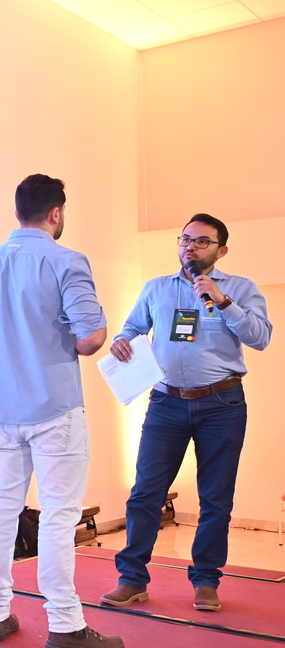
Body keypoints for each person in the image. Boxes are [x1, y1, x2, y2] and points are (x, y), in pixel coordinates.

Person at [0, 174, 123, 648]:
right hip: (53, 409)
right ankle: (65, 624)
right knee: (58, 516)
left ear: (16, 213)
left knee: (1, 510)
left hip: (1, 411)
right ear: (56, 213)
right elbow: (90, 340)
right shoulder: (66, 261)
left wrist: (8, 343)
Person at [102, 214, 271, 612]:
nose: (190, 247)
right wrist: (122, 341)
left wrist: (222, 300)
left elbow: (261, 337)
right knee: (145, 493)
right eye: (185, 240)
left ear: (221, 250)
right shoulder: (156, 288)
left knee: (216, 497)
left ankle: (206, 581)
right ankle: (132, 579)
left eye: (201, 242)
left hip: (222, 405)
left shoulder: (240, 288)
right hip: (166, 403)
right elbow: (132, 328)